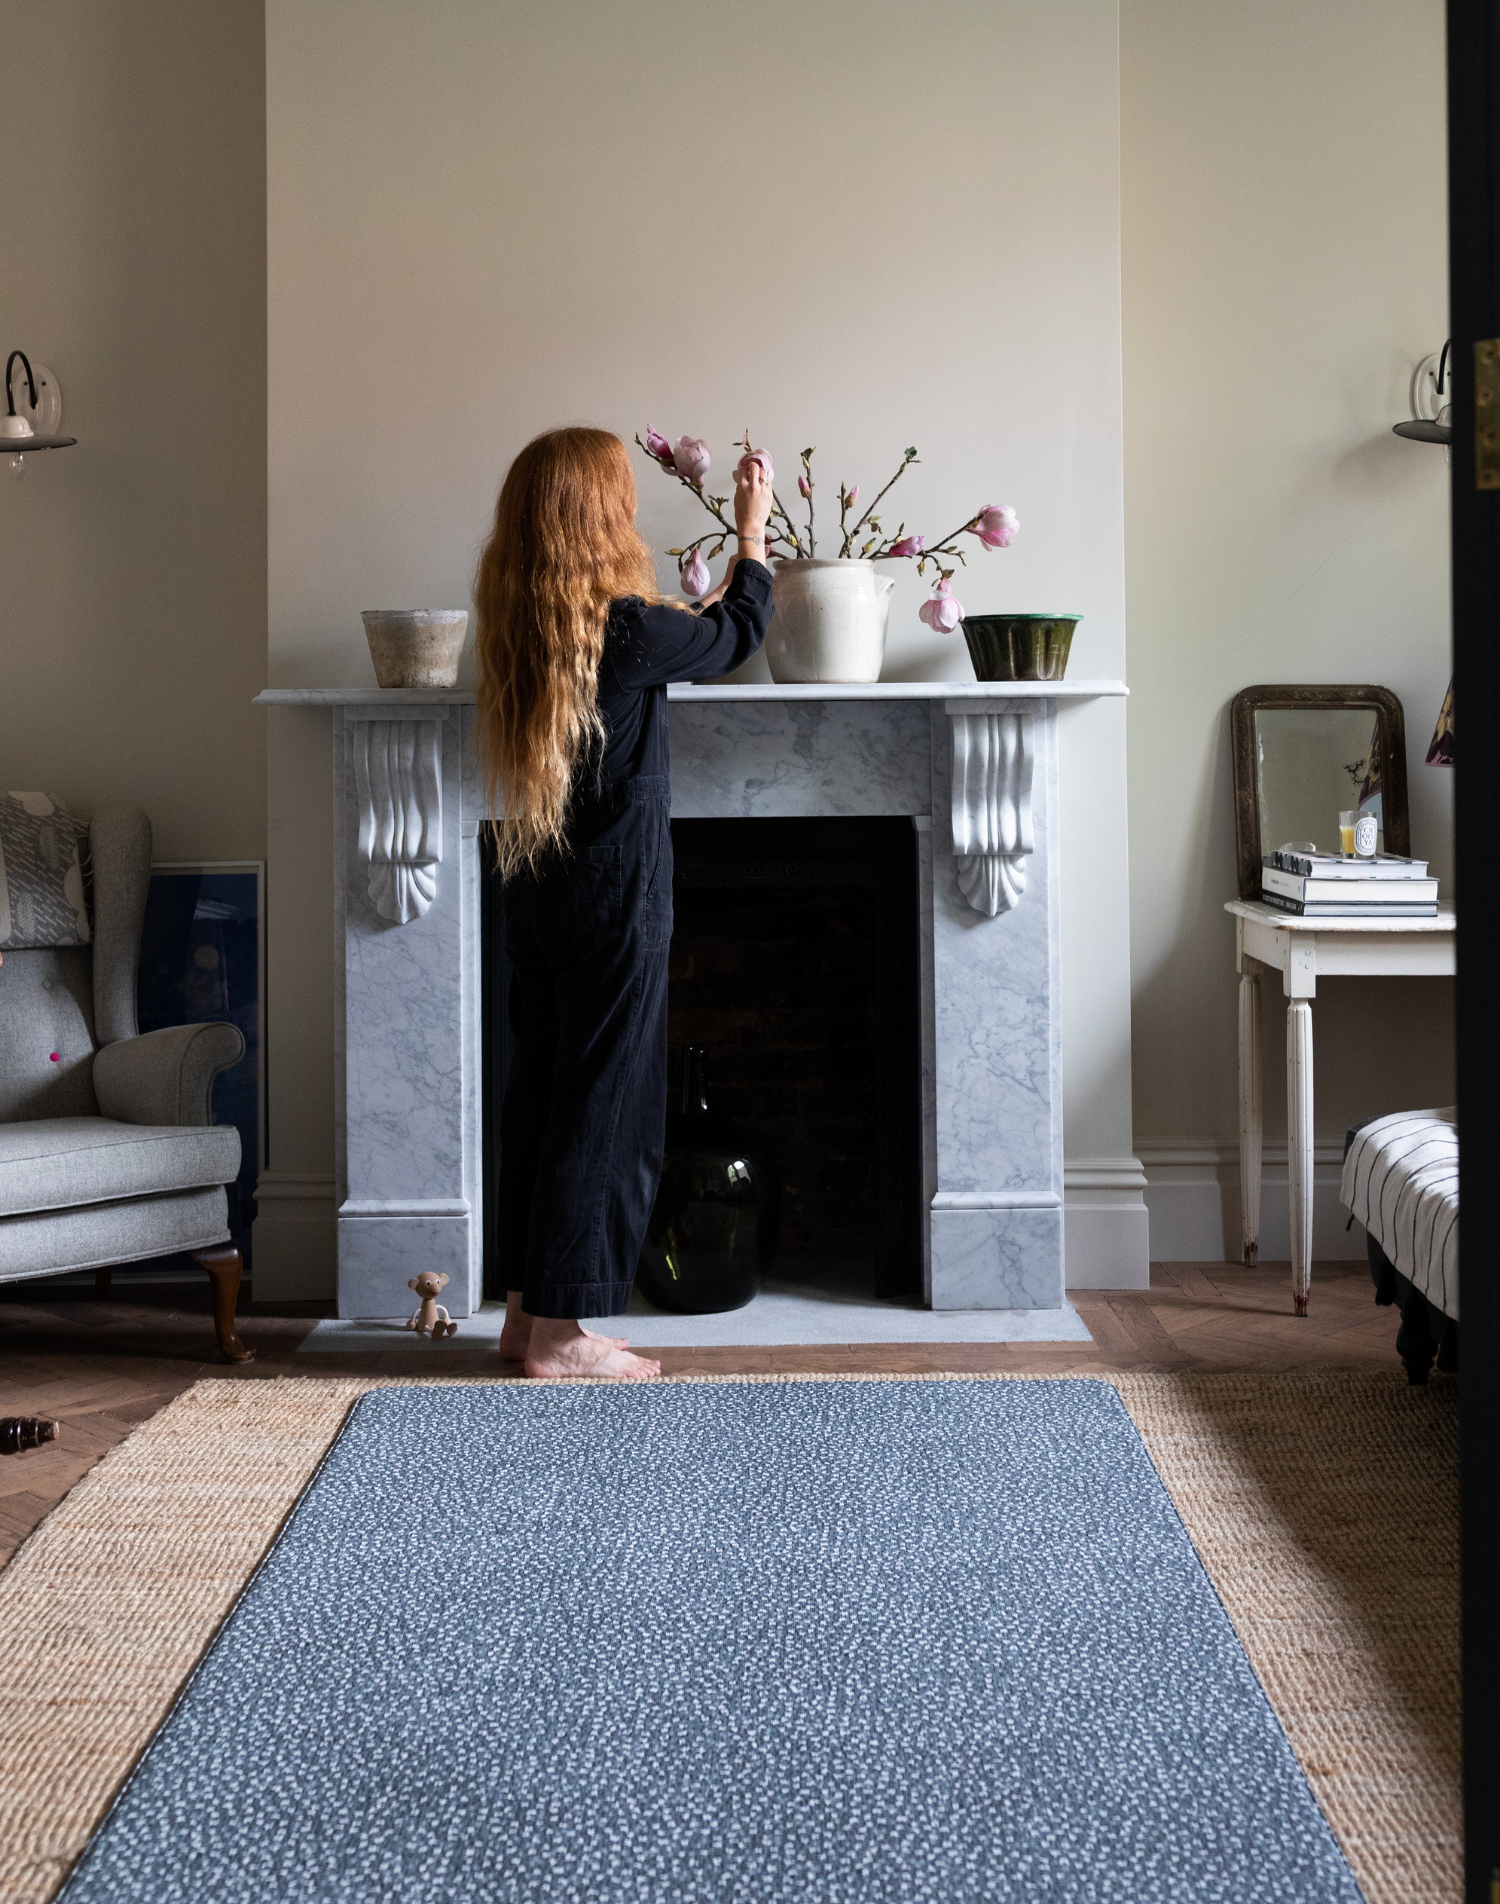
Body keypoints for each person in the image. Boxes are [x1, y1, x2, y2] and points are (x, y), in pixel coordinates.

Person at [474, 427, 774, 1379]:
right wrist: (753, 531)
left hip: (534, 891)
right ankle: (563, 1339)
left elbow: (698, 620)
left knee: (543, 1102)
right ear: (603, 514)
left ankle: (526, 1317)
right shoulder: (632, 628)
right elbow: (736, 633)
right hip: (613, 899)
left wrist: (724, 571)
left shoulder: (531, 622)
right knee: (606, 1108)